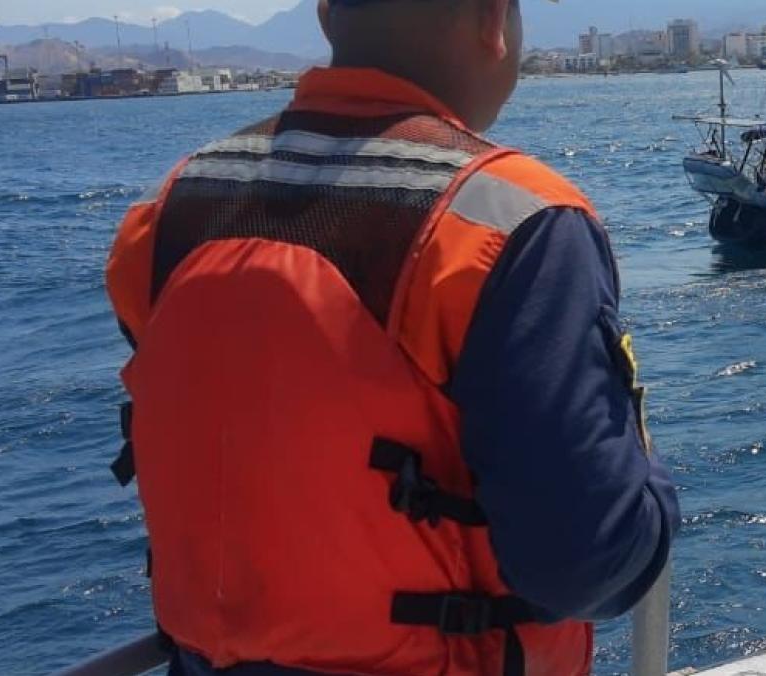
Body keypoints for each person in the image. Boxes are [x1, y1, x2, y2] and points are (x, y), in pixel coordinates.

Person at [102, 1, 679, 674]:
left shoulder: (163, 216)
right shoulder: (518, 224)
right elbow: (587, 564)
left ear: (325, 16)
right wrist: (652, 492)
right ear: (495, 22)